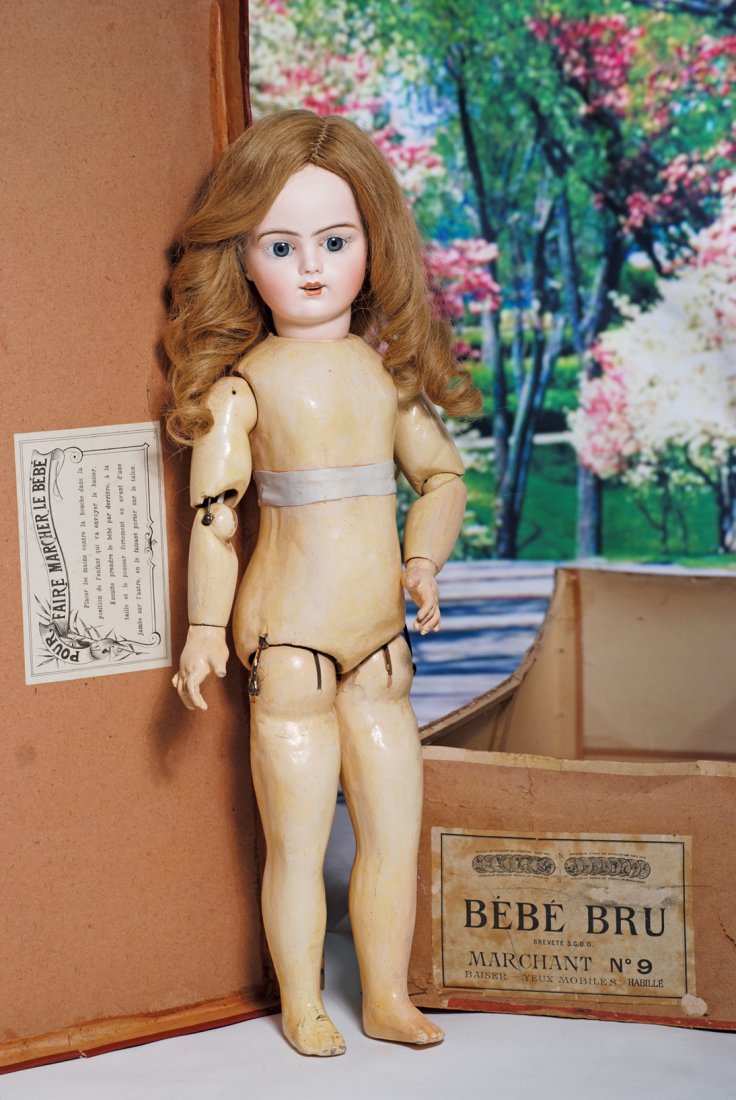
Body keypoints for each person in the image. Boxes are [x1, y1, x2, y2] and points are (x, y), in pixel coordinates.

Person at [166, 110, 480, 1057]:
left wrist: (421, 559)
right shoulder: (242, 390)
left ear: (372, 246)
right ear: (242, 258)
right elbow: (215, 517)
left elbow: (443, 478)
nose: (311, 268)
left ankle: (386, 994)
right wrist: (203, 629)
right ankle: (302, 1002)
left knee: (391, 832)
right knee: (298, 843)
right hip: (289, 645)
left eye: (336, 242)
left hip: (381, 646)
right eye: (281, 246)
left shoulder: (386, 382)